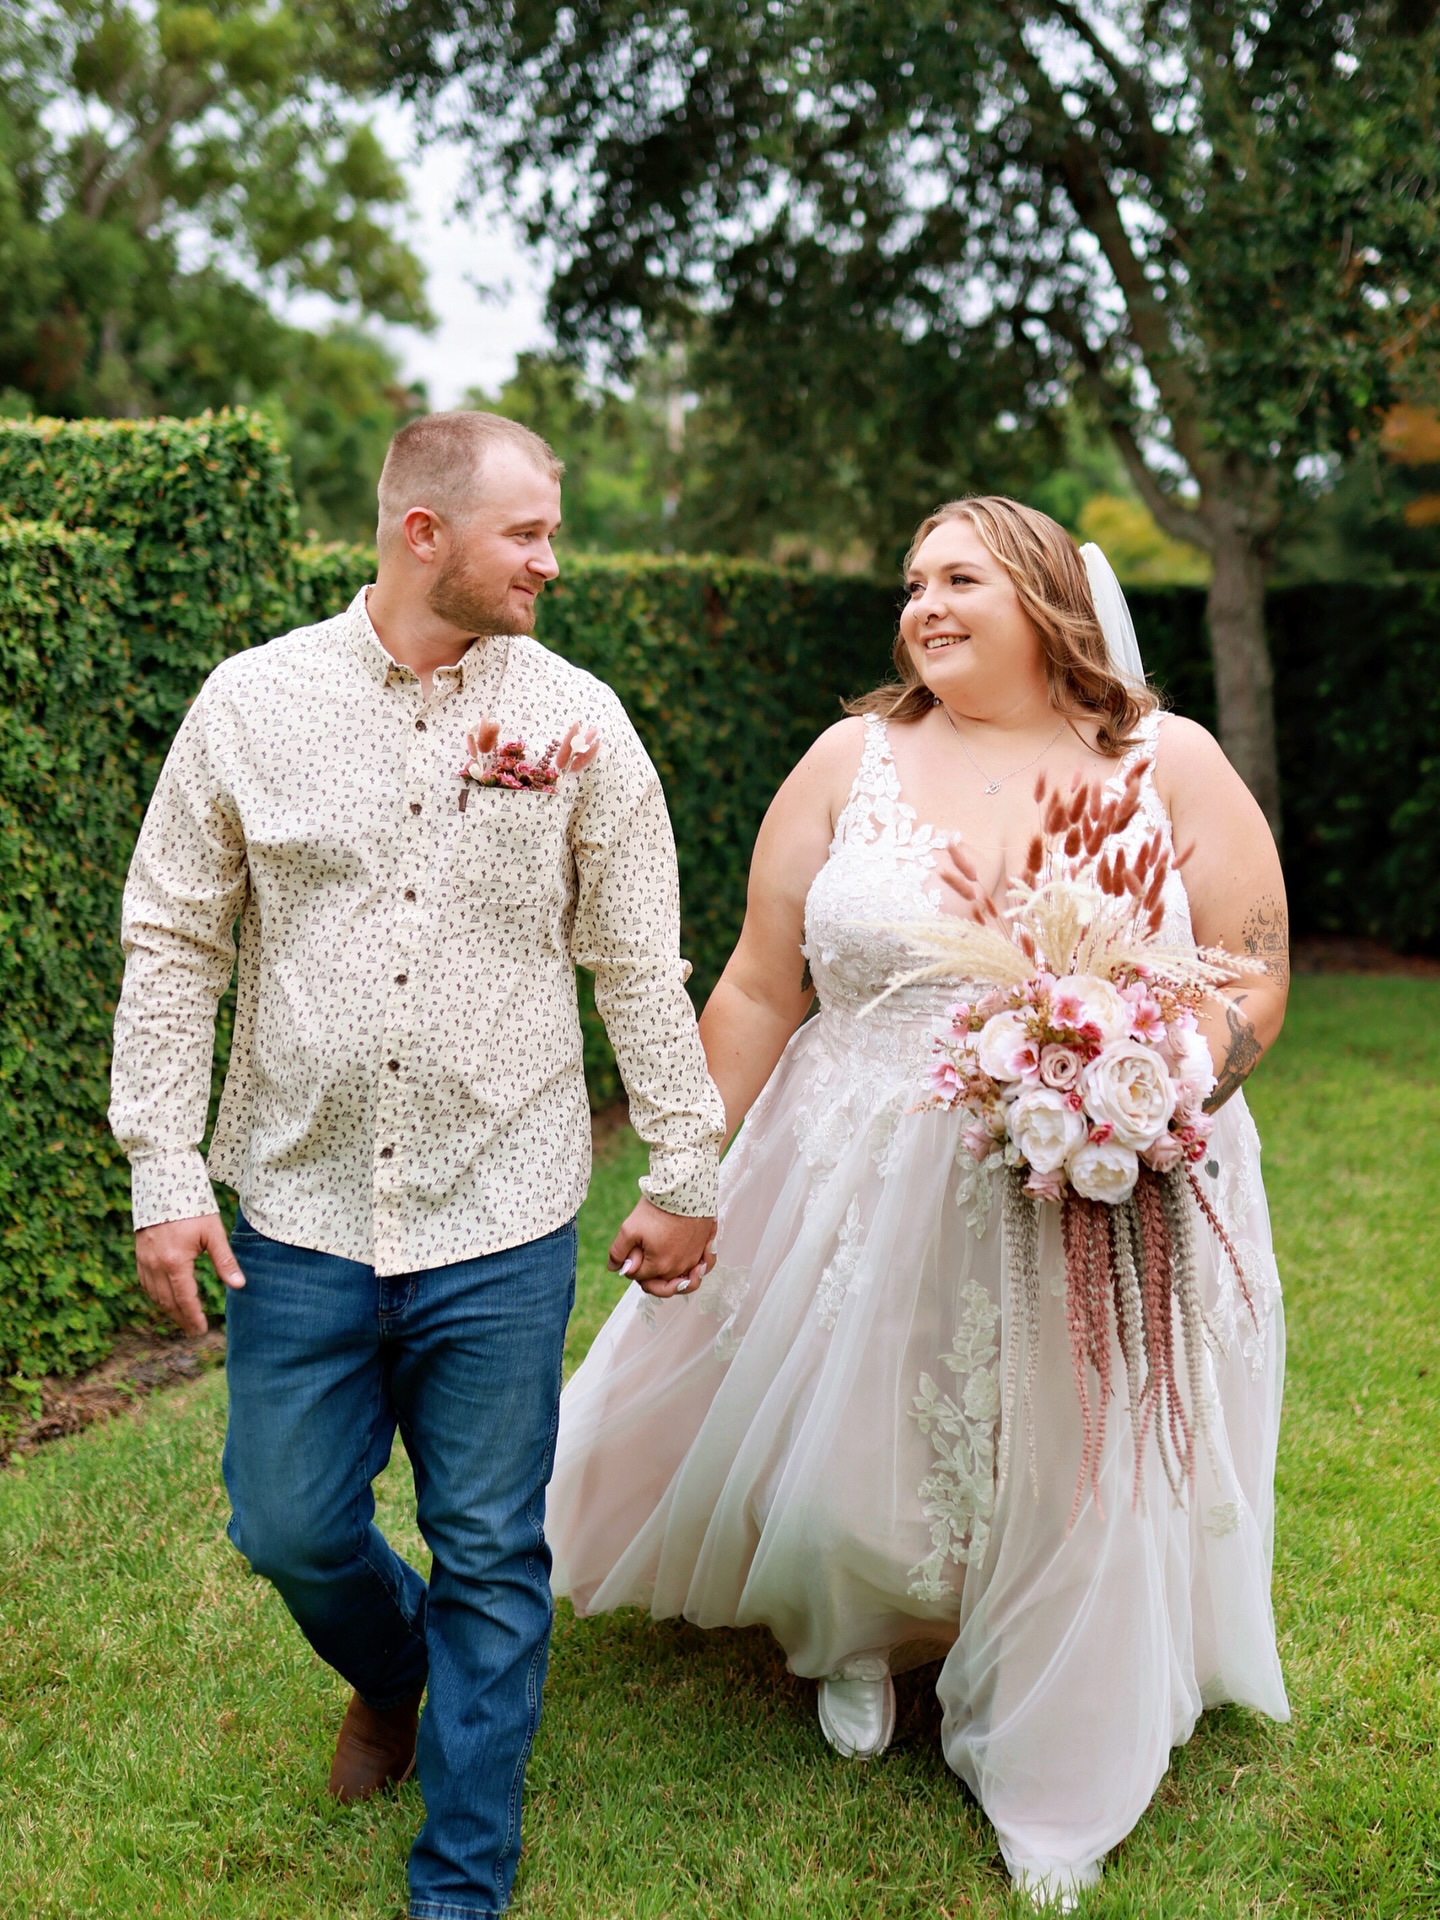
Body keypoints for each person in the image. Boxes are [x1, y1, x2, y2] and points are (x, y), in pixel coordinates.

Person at [547, 497, 1291, 1909]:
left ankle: (1055, 1669)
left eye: (958, 579)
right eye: (911, 583)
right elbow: (763, 983)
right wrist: (686, 1176)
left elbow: (1251, 968)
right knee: (853, 1415)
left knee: (1075, 1444)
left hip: (1102, 1164)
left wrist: (1157, 1081)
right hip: (853, 1154)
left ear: (1047, 598)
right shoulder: (851, 759)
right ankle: (856, 1636)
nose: (923, 606)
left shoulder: (1166, 762)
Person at [108, 410, 725, 1920]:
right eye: (529, 533)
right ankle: (397, 1676)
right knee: (289, 1524)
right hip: (300, 1205)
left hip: (501, 1207)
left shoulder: (581, 720)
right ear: (422, 533)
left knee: (491, 1549)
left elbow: (640, 963)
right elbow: (176, 941)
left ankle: (461, 1881)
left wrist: (686, 1166)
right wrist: (163, 1169)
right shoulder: (251, 705)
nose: (552, 562)